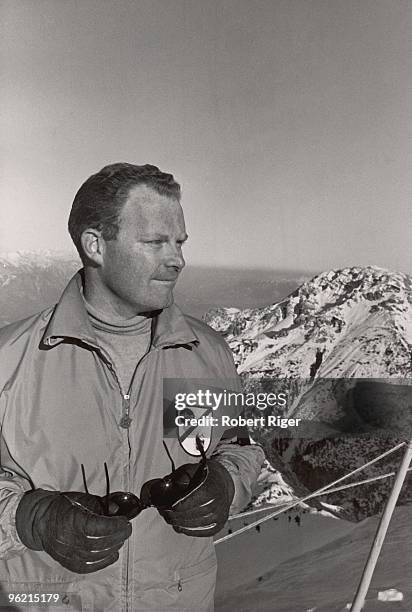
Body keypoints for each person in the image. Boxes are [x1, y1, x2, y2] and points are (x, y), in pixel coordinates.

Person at [0, 163, 264, 612]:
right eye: (155, 242)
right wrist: (34, 519)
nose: (177, 259)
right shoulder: (10, 360)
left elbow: (239, 449)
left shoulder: (207, 353)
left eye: (179, 243)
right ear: (95, 245)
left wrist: (224, 482)